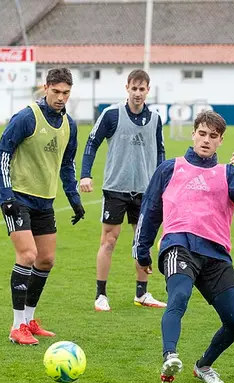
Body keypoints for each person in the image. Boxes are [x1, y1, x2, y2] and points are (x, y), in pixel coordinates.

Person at [133, 110, 234, 383]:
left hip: (216, 254)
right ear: (193, 134)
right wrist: (142, 250)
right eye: (202, 134)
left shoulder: (228, 173)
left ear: (221, 141)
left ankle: (203, 365)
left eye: (213, 136)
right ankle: (170, 356)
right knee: (178, 297)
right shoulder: (170, 168)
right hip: (178, 245)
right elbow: (150, 210)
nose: (206, 140)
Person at [0, 68, 85, 346]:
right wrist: (6, 194)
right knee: (28, 255)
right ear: (45, 88)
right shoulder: (26, 117)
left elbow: (67, 165)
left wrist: (74, 199)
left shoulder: (70, 124)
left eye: (66, 93)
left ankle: (30, 321)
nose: (60, 97)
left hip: (45, 202)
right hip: (18, 198)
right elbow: (3, 153)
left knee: (46, 260)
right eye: (56, 91)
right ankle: (16, 326)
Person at [79, 69, 166, 312]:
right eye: (134, 88)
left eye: (142, 89)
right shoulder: (112, 114)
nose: (138, 93)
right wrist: (85, 174)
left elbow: (160, 152)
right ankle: (101, 295)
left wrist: (161, 185)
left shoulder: (156, 119)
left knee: (144, 242)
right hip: (116, 188)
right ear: (126, 88)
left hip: (145, 191)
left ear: (148, 90)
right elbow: (92, 142)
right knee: (109, 240)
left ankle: (142, 293)